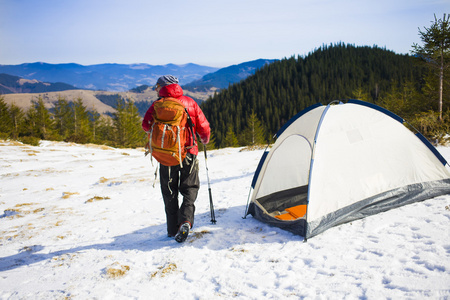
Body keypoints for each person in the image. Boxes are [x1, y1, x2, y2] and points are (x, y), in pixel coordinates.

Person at [142, 75, 211, 243]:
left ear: (162, 87)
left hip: (167, 154)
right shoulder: (190, 102)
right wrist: (204, 139)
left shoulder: (158, 104)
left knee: (169, 191)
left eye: (157, 86)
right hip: (189, 152)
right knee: (190, 188)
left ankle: (172, 229)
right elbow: (203, 126)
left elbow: (145, 125)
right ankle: (186, 221)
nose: (156, 89)